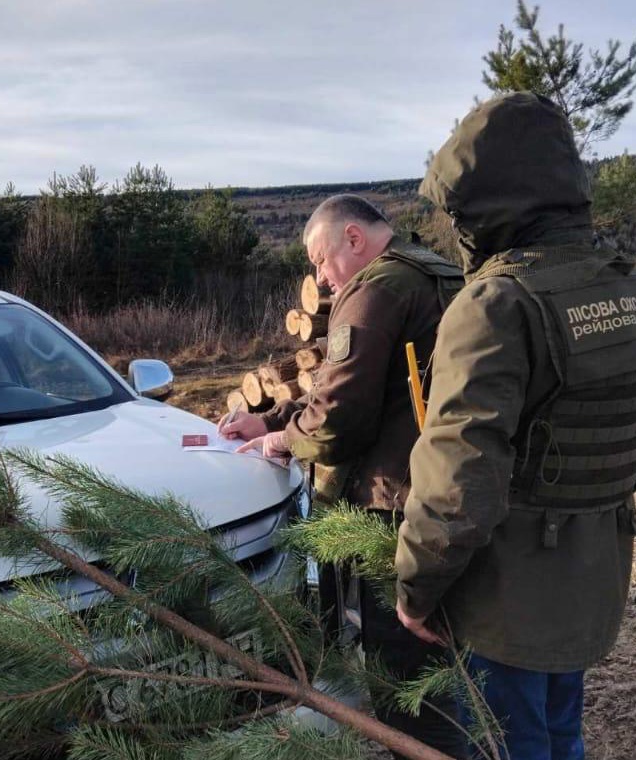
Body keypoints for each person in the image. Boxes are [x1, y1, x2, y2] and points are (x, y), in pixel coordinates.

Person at [393, 92, 636, 760]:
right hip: (589, 578)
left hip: (504, 599)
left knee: (508, 744)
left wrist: (416, 587)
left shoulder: (494, 303)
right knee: (559, 735)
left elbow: (458, 479)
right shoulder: (632, 285)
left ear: (486, 205)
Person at [221, 193, 468, 758]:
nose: (321, 279)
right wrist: (272, 417)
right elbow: (372, 387)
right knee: (445, 665)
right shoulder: (436, 271)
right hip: (446, 494)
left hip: (392, 507)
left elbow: (340, 415)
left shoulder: (375, 288)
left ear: (354, 238)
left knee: (408, 688)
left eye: (320, 260)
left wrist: (282, 440)